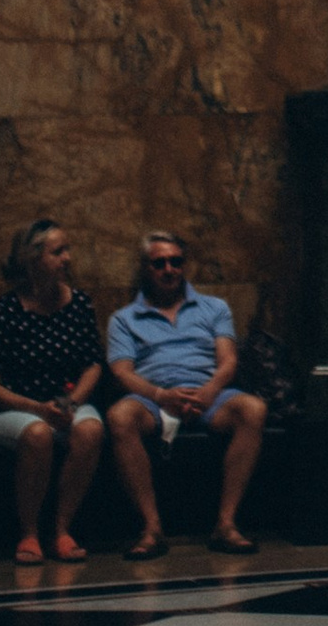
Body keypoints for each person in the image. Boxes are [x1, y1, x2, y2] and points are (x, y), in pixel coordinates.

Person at [106, 233, 265, 558]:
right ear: (146, 268)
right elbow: (121, 372)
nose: (169, 269)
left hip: (208, 393)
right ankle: (151, 528)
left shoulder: (214, 308)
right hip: (152, 398)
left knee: (253, 409)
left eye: (176, 261)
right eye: (159, 263)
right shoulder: (124, 319)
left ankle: (226, 524)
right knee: (119, 417)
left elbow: (228, 360)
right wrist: (161, 395)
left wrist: (208, 392)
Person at [0, 220, 106, 564]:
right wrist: (39, 409)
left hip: (66, 401)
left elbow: (92, 364)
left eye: (67, 250)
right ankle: (29, 533)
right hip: (16, 407)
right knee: (38, 433)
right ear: (33, 259)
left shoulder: (79, 303)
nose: (67, 258)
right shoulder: (5, 311)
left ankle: (61, 530)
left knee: (90, 429)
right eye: (58, 252)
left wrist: (71, 403)